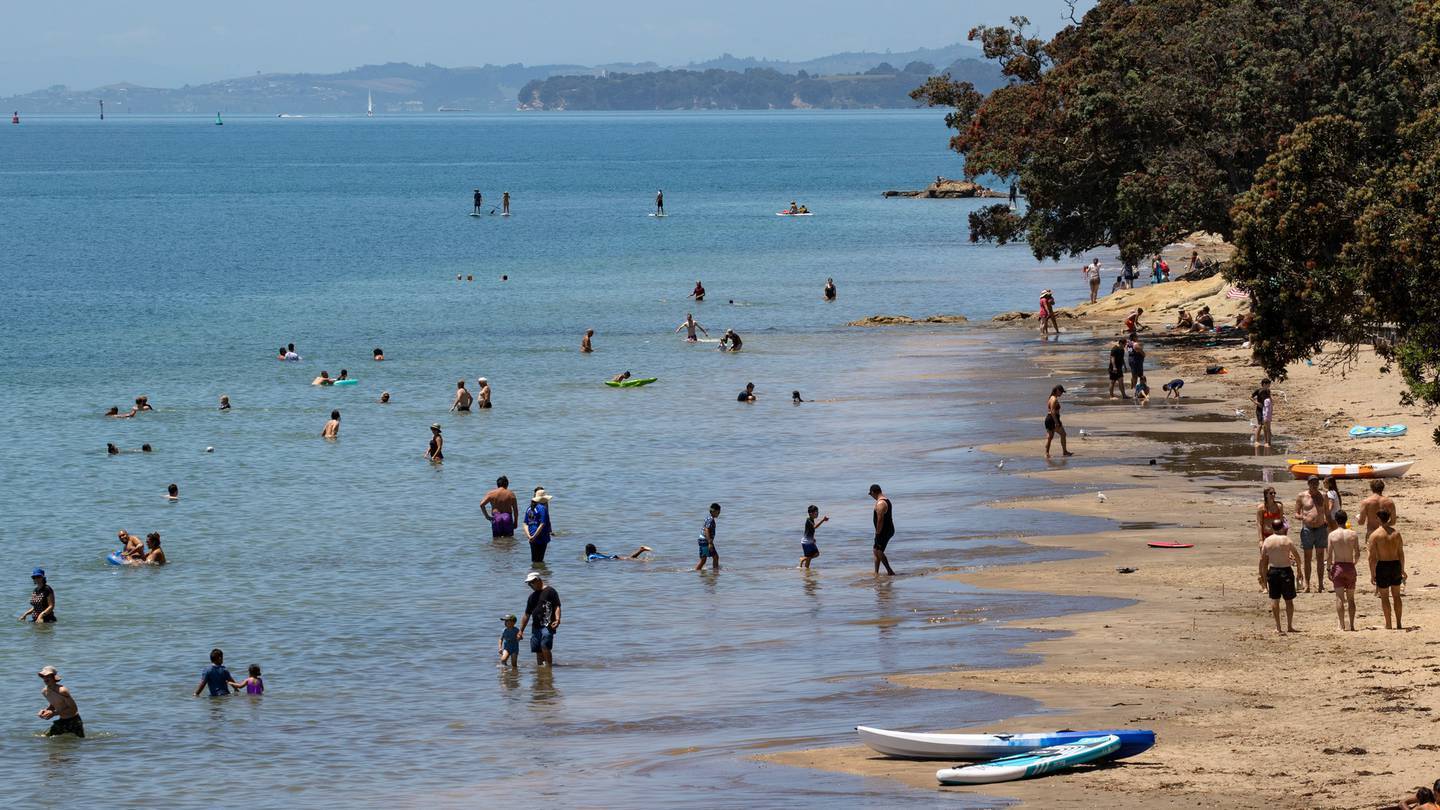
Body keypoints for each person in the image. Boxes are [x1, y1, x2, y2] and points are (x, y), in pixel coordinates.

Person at [1258, 519, 1302, 634]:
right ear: (1282, 527)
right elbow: (1297, 556)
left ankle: (1278, 627)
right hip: (1286, 570)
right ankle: (1289, 625)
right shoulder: (1286, 540)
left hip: (1273, 571)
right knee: (1289, 600)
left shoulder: (1267, 541)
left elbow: (1263, 560)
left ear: (1272, 528)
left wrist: (1263, 576)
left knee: (1275, 599)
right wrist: (1299, 570)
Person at [1368, 511, 1406, 629]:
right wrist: (1402, 569)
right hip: (1395, 565)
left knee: (1384, 597)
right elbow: (1401, 553)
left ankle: (1388, 624)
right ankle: (1399, 623)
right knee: (1397, 595)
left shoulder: (1375, 535)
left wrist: (1372, 573)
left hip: (1383, 566)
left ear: (1379, 519)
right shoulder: (1396, 534)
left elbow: (1371, 557)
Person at [1325, 509, 1360, 631]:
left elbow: (1329, 555)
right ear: (1346, 520)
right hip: (1349, 566)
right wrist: (1353, 564)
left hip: (1338, 566)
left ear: (1336, 520)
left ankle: (1341, 625)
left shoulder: (1332, 535)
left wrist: (1328, 569)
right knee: (1351, 598)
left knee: (1339, 597)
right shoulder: (1353, 534)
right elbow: (1357, 554)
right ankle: (1352, 624)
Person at [1294, 475, 1329, 593]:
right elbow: (1296, 513)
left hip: (1320, 528)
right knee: (1307, 557)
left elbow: (1327, 513)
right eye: (1312, 483)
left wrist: (1331, 525)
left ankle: (1320, 584)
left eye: (1316, 483)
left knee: (1320, 557)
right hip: (1307, 529)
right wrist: (1304, 517)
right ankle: (1307, 584)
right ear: (1308, 484)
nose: (1314, 485)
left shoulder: (1323, 496)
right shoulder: (1301, 496)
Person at [518, 572, 561, 666]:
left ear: (538, 580)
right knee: (538, 650)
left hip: (547, 625)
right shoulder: (532, 597)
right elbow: (527, 614)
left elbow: (557, 606)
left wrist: (557, 619)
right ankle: (541, 672)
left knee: (545, 646)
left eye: (531, 582)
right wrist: (521, 630)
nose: (530, 585)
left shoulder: (550, 591)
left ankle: (549, 668)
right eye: (529, 583)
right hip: (535, 627)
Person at [36, 666, 82, 738]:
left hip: (74, 720)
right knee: (44, 737)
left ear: (54, 677)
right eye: (43, 676)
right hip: (62, 720)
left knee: (80, 742)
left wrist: (54, 713)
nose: (45, 678)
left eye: (48, 676)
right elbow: (54, 704)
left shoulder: (62, 691)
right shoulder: (44, 692)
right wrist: (45, 711)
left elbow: (74, 709)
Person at [870, 484, 896, 576]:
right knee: (875, 550)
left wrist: (877, 533)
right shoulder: (884, 500)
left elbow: (880, 520)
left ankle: (890, 571)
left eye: (871, 494)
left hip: (884, 530)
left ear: (873, 492)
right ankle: (876, 572)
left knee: (879, 551)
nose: (871, 496)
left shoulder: (881, 504)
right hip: (885, 530)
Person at [523, 489, 553, 563]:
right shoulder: (543, 508)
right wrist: (534, 536)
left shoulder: (529, 508)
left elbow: (525, 524)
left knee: (534, 560)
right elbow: (542, 524)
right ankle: (539, 573)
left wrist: (529, 536)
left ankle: (534, 572)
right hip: (541, 537)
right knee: (540, 560)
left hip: (531, 536)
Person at [1043, 385, 1073, 458]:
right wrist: (1056, 422)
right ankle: (1064, 451)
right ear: (1057, 390)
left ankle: (1046, 453)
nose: (1061, 394)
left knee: (1050, 437)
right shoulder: (1054, 399)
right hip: (1053, 419)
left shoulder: (1051, 398)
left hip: (1048, 419)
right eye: (1061, 392)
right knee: (1063, 434)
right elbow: (1053, 412)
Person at [695, 503, 720, 571]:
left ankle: (696, 571)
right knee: (715, 557)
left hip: (701, 539)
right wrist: (710, 542)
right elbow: (706, 529)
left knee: (703, 559)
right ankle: (715, 572)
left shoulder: (708, 517)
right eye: (718, 512)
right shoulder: (711, 520)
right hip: (706, 540)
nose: (719, 513)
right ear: (714, 511)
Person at [1251, 378, 1273, 446]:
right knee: (1260, 425)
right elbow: (1250, 397)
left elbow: (1270, 398)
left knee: (1266, 426)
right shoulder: (1258, 390)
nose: (1269, 386)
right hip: (1259, 410)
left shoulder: (1268, 391)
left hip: (1266, 410)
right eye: (1268, 384)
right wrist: (1256, 403)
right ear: (1264, 384)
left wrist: (1271, 406)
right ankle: (1256, 441)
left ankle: (1267, 441)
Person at [584, 542, 651, 560]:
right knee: (631, 558)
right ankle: (641, 550)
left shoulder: (591, 556)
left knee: (631, 559)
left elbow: (602, 558)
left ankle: (641, 550)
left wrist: (610, 558)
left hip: (612, 558)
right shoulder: (595, 554)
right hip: (612, 557)